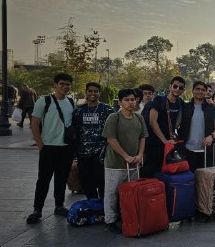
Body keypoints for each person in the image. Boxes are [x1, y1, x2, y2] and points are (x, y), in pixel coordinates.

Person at [27, 73, 76, 224]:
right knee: (43, 179)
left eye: (67, 84)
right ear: (55, 84)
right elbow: (34, 123)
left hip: (66, 148)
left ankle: (59, 206)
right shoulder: (44, 101)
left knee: (61, 179)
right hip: (48, 147)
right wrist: (40, 145)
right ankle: (37, 210)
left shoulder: (71, 102)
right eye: (62, 84)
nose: (65, 87)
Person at [101, 88, 147, 234]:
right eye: (126, 100)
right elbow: (111, 139)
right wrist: (125, 155)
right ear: (120, 102)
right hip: (115, 164)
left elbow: (142, 137)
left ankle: (129, 218)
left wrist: (140, 155)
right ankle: (110, 221)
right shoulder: (114, 118)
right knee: (112, 193)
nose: (130, 102)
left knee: (131, 193)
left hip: (134, 164)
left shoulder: (139, 118)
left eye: (132, 99)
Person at [73, 82, 114, 199]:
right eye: (90, 91)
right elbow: (75, 132)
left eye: (96, 91)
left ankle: (104, 206)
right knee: (87, 183)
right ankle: (93, 205)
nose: (93, 93)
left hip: (101, 154)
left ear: (99, 93)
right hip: (83, 154)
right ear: (86, 92)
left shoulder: (107, 109)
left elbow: (114, 129)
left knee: (102, 182)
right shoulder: (79, 110)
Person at [145, 76, 186, 177]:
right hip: (155, 143)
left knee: (168, 173)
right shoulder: (159, 100)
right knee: (154, 173)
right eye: (175, 86)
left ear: (183, 90)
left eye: (180, 87)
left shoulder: (180, 102)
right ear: (170, 87)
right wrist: (164, 140)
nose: (177, 89)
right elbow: (152, 121)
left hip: (170, 145)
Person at [179, 81, 215, 171]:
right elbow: (176, 125)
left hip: (206, 151)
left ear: (206, 92)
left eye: (203, 90)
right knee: (189, 177)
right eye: (197, 89)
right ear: (193, 90)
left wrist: (211, 136)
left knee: (204, 178)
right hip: (187, 150)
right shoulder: (185, 107)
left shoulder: (212, 108)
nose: (200, 91)